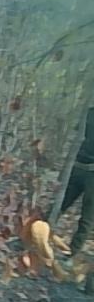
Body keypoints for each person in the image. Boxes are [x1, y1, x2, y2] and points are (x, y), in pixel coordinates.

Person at [55, 106, 94, 265]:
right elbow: (77, 136)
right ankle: (34, 240)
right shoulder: (89, 112)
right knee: (59, 205)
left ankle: (70, 255)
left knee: (87, 218)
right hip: (77, 167)